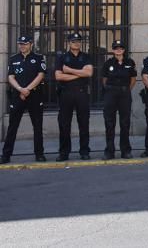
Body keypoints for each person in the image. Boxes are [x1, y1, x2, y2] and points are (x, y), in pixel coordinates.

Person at [1, 35, 47, 164]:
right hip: (18, 96)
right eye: (20, 44)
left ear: (31, 44)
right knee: (12, 127)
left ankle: (39, 154)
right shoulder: (13, 59)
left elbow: (41, 75)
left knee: (37, 127)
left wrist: (27, 89)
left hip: (34, 96)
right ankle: (6, 155)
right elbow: (10, 77)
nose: (22, 46)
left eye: (25, 44)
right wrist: (21, 90)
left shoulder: (38, 58)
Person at [55, 32, 93, 161]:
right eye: (73, 41)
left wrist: (69, 70)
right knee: (64, 124)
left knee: (84, 123)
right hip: (66, 93)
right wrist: (80, 74)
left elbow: (89, 72)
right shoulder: (62, 57)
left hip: (82, 93)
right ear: (68, 43)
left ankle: (84, 151)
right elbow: (58, 76)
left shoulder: (86, 57)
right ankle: (64, 152)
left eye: (78, 41)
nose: (76, 43)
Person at [101, 40, 136, 160]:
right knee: (109, 123)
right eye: (116, 48)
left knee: (125, 123)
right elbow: (104, 80)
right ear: (113, 50)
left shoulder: (129, 62)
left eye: (121, 48)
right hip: (110, 93)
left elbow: (133, 79)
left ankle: (125, 150)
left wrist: (125, 90)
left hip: (124, 94)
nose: (118, 50)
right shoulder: (108, 63)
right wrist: (111, 90)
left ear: (124, 50)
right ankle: (109, 151)